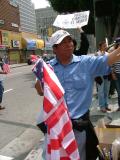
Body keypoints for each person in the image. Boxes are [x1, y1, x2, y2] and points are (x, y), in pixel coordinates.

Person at [34, 29, 120, 160]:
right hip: (55, 129)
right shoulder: (48, 68)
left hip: (78, 129)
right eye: (63, 42)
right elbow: (40, 90)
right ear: (55, 48)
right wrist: (39, 82)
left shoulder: (86, 63)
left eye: (69, 40)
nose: (69, 44)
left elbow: (108, 59)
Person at [95, 41, 111, 113]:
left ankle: (106, 105)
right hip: (100, 76)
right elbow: (95, 65)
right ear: (100, 47)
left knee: (106, 91)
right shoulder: (97, 54)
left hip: (107, 75)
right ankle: (102, 106)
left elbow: (110, 63)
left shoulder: (108, 54)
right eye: (104, 46)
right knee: (100, 92)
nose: (105, 47)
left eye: (106, 45)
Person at [111, 37, 120, 111]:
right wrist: (113, 74)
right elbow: (111, 65)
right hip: (117, 74)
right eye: (118, 43)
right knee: (119, 92)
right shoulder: (113, 52)